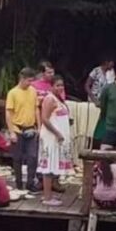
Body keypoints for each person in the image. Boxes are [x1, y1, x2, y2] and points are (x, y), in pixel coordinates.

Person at [39, 76, 75, 206]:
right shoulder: (49, 99)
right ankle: (47, 198)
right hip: (51, 137)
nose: (60, 88)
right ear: (51, 86)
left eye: (62, 85)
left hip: (57, 138)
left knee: (53, 165)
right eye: (57, 85)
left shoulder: (58, 100)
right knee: (48, 166)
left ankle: (48, 194)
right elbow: (45, 119)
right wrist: (57, 133)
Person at [6, 68, 40, 191]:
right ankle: (19, 183)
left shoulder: (33, 91)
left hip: (31, 127)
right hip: (17, 128)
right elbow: (9, 113)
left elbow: (36, 109)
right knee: (17, 158)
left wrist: (39, 127)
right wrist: (11, 131)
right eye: (28, 81)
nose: (30, 83)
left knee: (32, 156)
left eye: (31, 81)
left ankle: (30, 182)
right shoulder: (12, 93)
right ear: (22, 79)